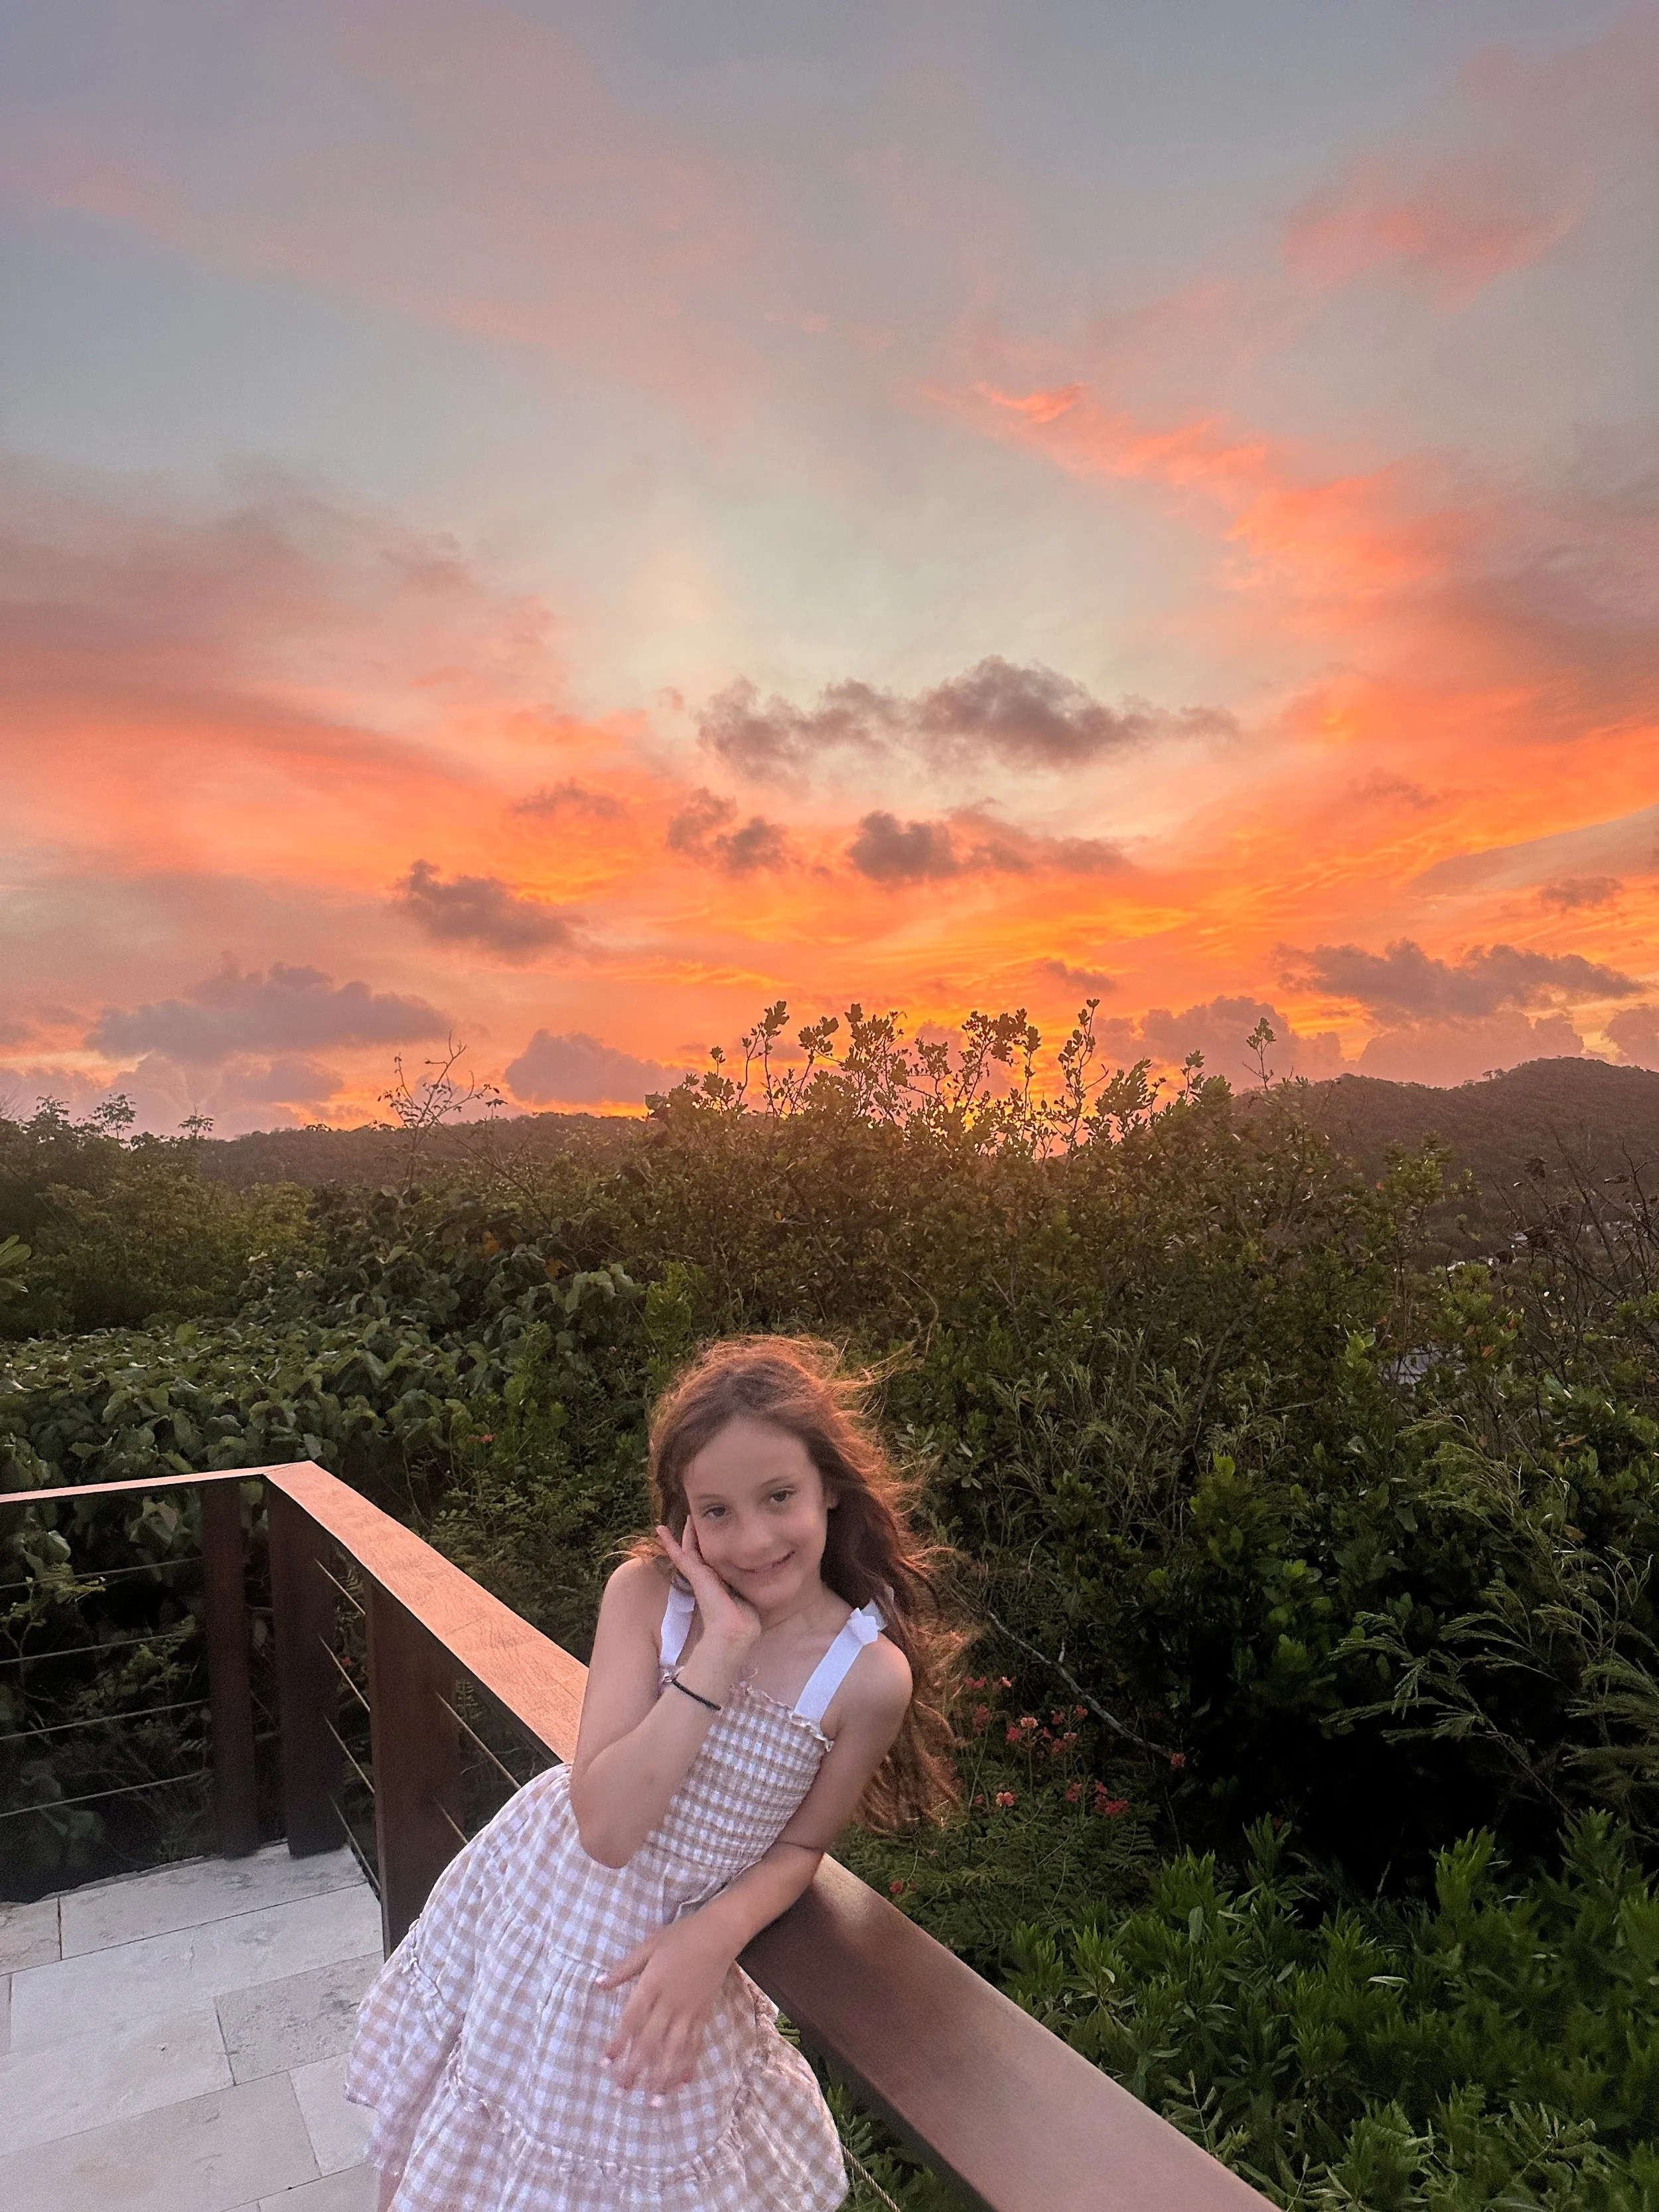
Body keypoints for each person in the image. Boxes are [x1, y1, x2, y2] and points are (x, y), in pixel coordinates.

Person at [346, 1335, 962, 2211]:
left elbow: (800, 1850)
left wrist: (714, 1937)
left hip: (662, 1959)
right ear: (683, 1521)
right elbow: (605, 1828)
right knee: (456, 2143)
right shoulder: (645, 1599)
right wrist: (720, 1652)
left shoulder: (864, 1679)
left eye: (779, 1496)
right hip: (540, 1912)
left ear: (829, 1486)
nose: (754, 1539)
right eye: (716, 1511)